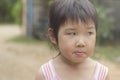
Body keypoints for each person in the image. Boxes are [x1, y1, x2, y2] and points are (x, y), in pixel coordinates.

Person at [36, 0, 109, 80]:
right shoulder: (46, 75)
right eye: (72, 33)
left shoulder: (101, 74)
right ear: (53, 36)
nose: (81, 43)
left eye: (89, 33)